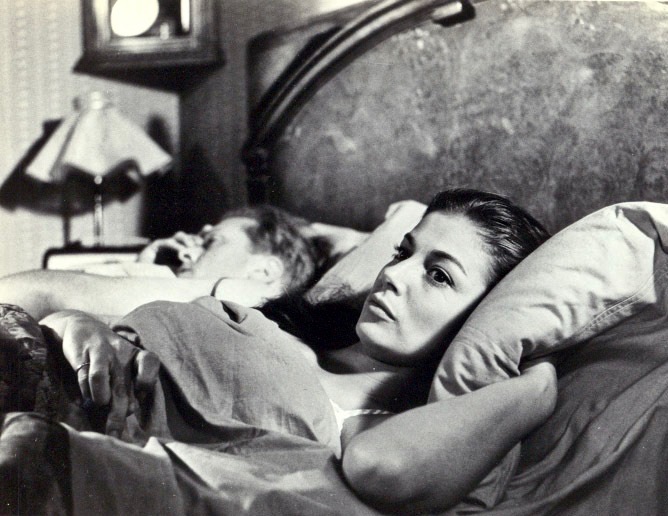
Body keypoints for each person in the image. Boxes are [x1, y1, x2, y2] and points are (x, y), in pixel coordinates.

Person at [6, 189, 554, 513]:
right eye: (402, 253)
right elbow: (35, 304)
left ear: (485, 318)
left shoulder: (429, 435)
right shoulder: (265, 321)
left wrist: (537, 387)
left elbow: (383, 468)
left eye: (438, 275)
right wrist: (74, 323)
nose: (394, 275)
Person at [0, 204, 359, 321]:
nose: (187, 247)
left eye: (211, 242)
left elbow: (40, 292)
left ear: (264, 271)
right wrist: (142, 266)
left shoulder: (250, 301)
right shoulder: (189, 294)